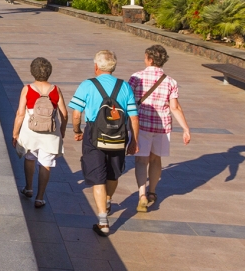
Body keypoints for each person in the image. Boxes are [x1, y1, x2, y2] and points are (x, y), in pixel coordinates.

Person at [68, 50, 139, 237]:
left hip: (94, 135)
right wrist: (134, 140)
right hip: (118, 136)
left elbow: (76, 114)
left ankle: (103, 221)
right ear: (114, 67)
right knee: (113, 174)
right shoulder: (124, 87)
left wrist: (77, 130)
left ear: (96, 66)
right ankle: (108, 200)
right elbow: (133, 117)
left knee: (97, 176)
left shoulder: (87, 85)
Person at [128, 44, 191, 212]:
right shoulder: (170, 81)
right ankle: (152, 192)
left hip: (141, 125)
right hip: (162, 127)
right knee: (155, 160)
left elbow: (128, 101)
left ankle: (141, 194)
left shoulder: (136, 78)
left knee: (141, 161)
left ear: (149, 59)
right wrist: (186, 129)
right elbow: (175, 107)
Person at [11, 57, 68, 208]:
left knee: (29, 157)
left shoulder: (27, 89)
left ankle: (29, 188)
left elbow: (20, 113)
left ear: (32, 71)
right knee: (46, 163)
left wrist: (15, 133)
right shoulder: (55, 90)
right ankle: (40, 197)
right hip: (50, 131)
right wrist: (62, 130)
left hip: (31, 130)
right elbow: (64, 113)